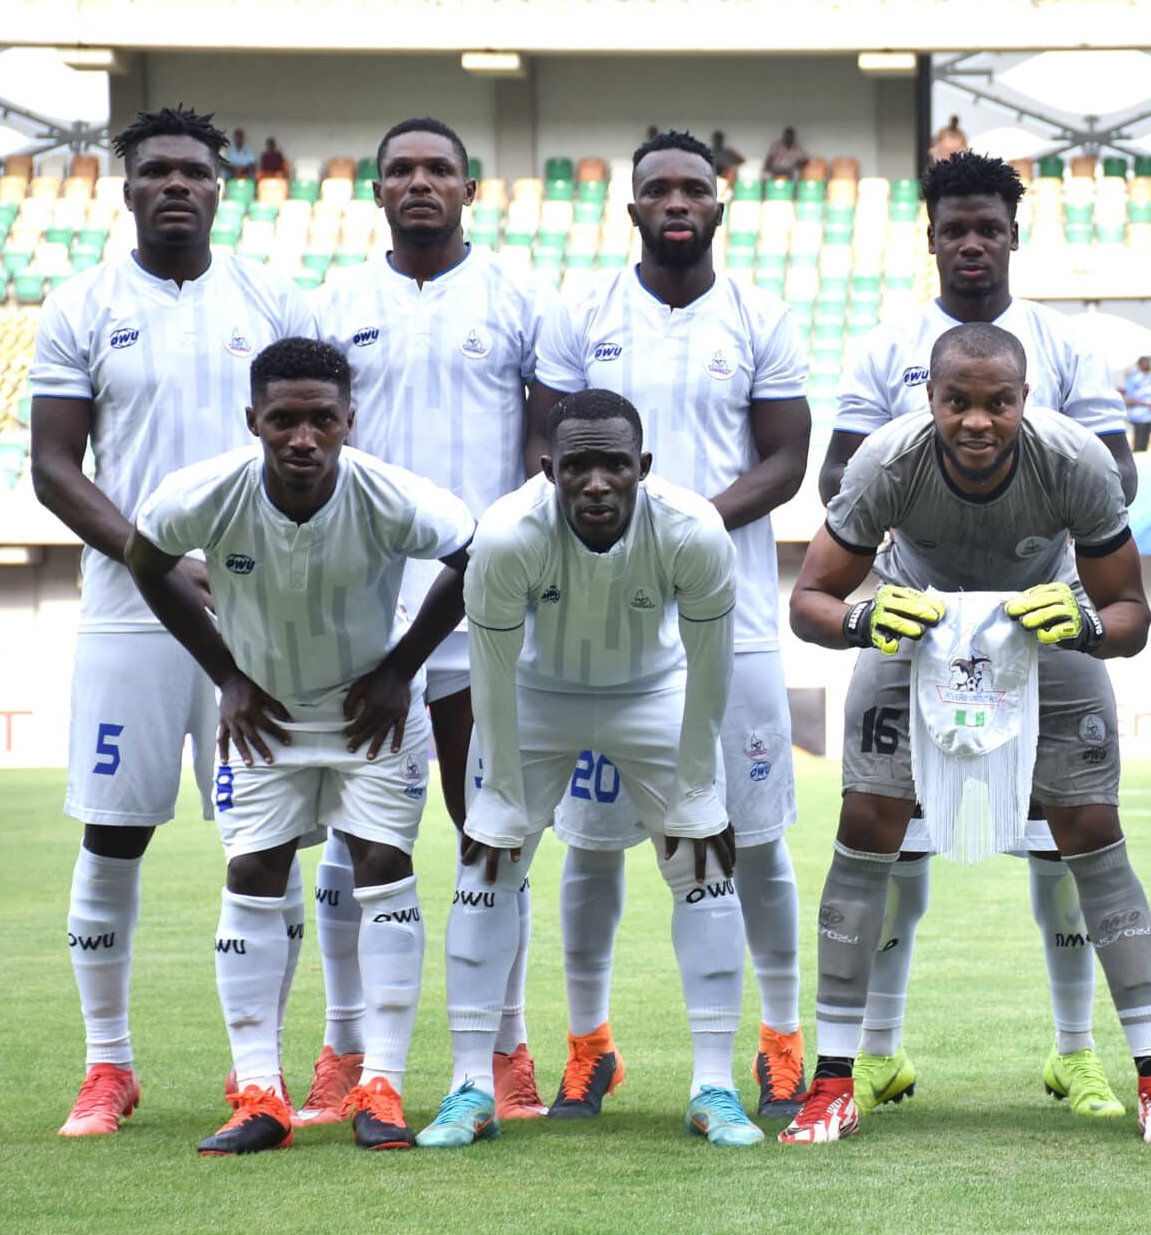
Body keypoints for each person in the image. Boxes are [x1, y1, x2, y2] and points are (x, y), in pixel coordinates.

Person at [781, 322, 1151, 1148]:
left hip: (1044, 632)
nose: (977, 421)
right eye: (958, 402)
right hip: (913, 631)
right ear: (929, 400)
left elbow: (1132, 616)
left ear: (1025, 401)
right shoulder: (887, 462)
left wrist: (1082, 624)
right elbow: (810, 602)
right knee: (865, 826)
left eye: (997, 403)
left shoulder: (1075, 461)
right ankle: (832, 1080)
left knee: (1092, 834)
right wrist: (865, 618)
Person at [814, 150, 1135, 1120]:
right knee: (892, 846)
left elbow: (1110, 477)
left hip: (1039, 632)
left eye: (986, 226)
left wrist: (1052, 583)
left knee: (1060, 851)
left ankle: (1075, 1053)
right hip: (919, 632)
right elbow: (843, 482)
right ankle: (875, 1051)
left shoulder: (1062, 346)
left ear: (1011, 234)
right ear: (930, 236)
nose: (969, 242)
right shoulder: (887, 346)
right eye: (952, 226)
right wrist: (906, 579)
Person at [31, 105, 316, 1138]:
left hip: (259, 617)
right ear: (128, 188)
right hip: (128, 613)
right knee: (114, 835)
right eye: (156, 171)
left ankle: (262, 1072)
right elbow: (55, 468)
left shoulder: (271, 299)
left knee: (271, 838)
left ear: (220, 185)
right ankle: (109, 1066)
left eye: (194, 171)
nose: (176, 186)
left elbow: (312, 442)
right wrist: (155, 558)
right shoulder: (80, 305)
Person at [123, 337, 475, 1155]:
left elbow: (474, 557)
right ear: (254, 420)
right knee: (251, 872)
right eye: (284, 420)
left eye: (322, 419)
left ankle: (380, 1086)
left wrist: (399, 670)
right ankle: (259, 1093)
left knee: (383, 868)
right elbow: (146, 559)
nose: (303, 438)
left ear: (350, 421)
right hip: (265, 718)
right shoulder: (203, 493)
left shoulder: (391, 495)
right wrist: (226, 675)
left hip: (372, 718)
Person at [531, 130, 813, 1122]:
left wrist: (680, 527)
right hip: (599, 623)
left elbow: (785, 459)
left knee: (757, 837)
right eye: (658, 188)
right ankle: (587, 1044)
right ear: (632, 207)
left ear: (720, 204)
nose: (677, 200)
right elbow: (549, 448)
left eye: (694, 186)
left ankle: (780, 1042)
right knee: (592, 839)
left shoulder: (760, 316)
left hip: (725, 621)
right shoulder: (580, 316)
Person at [418, 388, 765, 1150]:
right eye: (578, 467)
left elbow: (711, 670)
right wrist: (503, 797)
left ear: (643, 466)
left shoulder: (696, 532)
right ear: (549, 470)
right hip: (537, 696)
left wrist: (701, 789)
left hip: (655, 693)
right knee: (486, 864)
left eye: (614, 465)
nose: (597, 483)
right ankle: (470, 1085)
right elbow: (492, 673)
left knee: (702, 861)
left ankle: (714, 1085)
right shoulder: (506, 537)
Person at [308, 117, 552, 1126]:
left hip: (482, 614)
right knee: (343, 841)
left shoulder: (516, 300)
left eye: (437, 169)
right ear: (375, 192)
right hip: (356, 614)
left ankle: (505, 1047)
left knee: (489, 834)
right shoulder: (329, 306)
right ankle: (342, 1045)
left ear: (468, 187)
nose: (419, 183)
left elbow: (548, 450)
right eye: (399, 170)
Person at [1123, 355, 1151, 453]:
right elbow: (1128, 399)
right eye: (1147, 362)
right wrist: (1145, 404)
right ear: (1140, 364)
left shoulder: (1149, 377)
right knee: (1138, 447)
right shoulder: (1134, 378)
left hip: (1148, 416)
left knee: (1145, 447)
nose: (1150, 365)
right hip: (1138, 417)